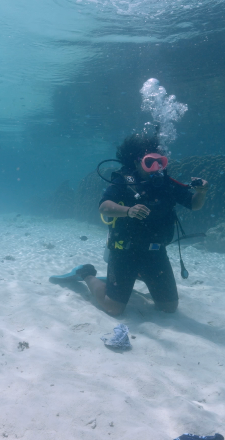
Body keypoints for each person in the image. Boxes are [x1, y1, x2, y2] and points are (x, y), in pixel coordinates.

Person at [53, 133, 208, 316]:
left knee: (169, 307)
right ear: (135, 162)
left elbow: (194, 205)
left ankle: (140, 275)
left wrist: (202, 192)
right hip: (124, 252)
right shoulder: (123, 181)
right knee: (114, 308)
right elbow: (104, 207)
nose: (156, 168)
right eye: (149, 162)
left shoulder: (167, 184)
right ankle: (86, 273)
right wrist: (128, 210)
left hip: (156, 253)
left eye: (161, 162)